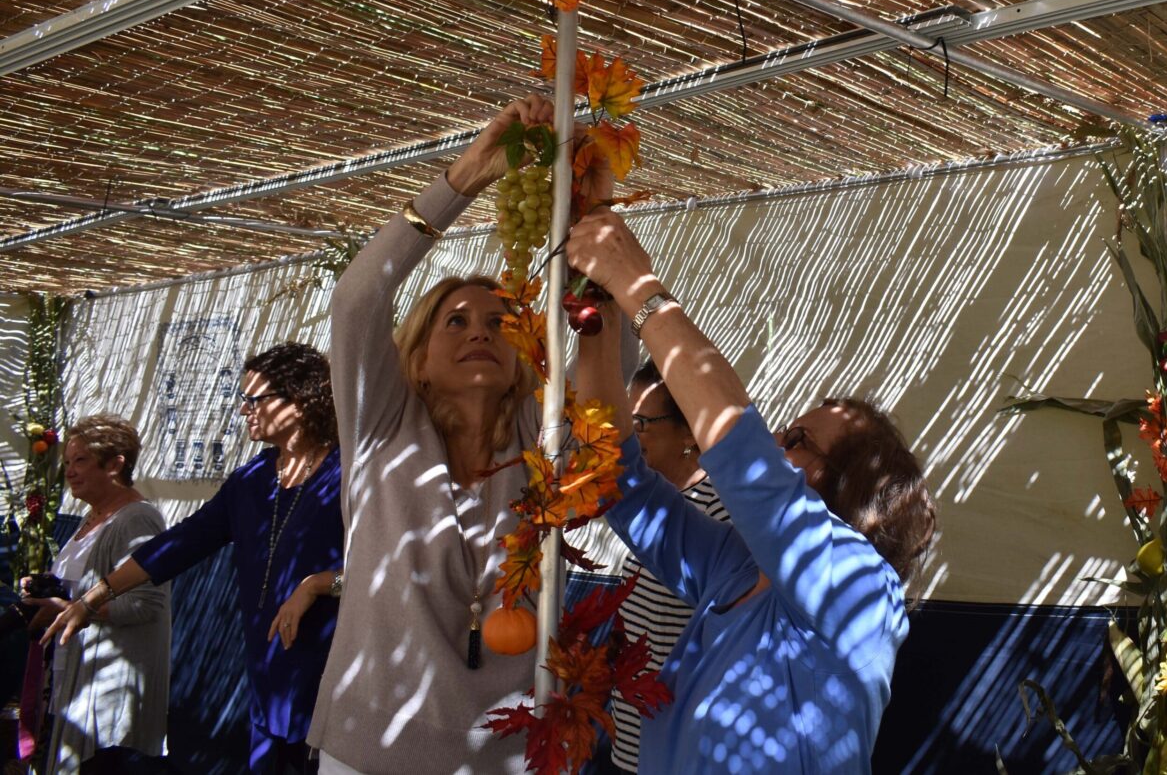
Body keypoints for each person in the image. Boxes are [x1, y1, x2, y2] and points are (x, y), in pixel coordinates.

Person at [306, 95, 634, 775]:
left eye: (499, 322)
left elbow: (611, 363)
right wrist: (469, 173)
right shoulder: (382, 426)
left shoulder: (539, 436)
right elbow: (356, 299)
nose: (481, 331)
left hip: (507, 754)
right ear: (418, 354)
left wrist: (595, 215)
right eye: (455, 321)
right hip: (368, 748)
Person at [567, 207, 937, 774]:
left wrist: (638, 288)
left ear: (851, 485)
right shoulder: (736, 572)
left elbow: (744, 453)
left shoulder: (857, 582)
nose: (777, 443)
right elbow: (622, 482)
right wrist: (597, 318)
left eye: (798, 439)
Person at [45, 343, 342, 775]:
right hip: (269, 676)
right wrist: (94, 596)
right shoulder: (253, 479)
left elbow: (386, 568)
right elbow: (181, 543)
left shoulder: (347, 472)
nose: (243, 410)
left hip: (333, 674)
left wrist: (317, 584)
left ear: (298, 399)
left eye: (253, 399)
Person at [25, 413, 170, 774]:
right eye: (67, 462)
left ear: (116, 465)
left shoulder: (137, 519)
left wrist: (79, 609)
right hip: (71, 675)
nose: (69, 471)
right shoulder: (91, 517)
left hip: (108, 687)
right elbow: (79, 589)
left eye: (81, 461)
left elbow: (146, 604)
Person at [607, 360, 729, 775]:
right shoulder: (639, 511)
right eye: (628, 418)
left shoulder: (718, 513)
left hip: (683, 746)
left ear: (687, 432)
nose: (630, 433)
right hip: (630, 736)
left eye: (640, 421)